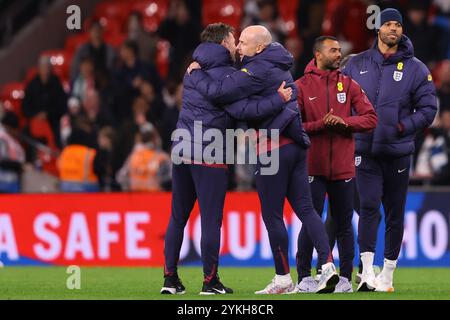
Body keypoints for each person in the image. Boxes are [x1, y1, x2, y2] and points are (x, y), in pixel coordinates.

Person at [188, 25, 339, 294]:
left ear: (258, 47)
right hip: (295, 144)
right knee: (306, 209)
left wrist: (197, 75)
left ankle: (282, 278)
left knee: (272, 216)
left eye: (243, 42)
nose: (237, 47)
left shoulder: (254, 70)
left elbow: (224, 95)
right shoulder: (278, 62)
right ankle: (328, 267)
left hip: (272, 147)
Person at [162, 23, 292, 295]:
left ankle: (170, 280)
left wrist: (195, 78)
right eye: (234, 40)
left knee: (177, 218)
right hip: (211, 151)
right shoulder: (230, 76)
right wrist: (278, 100)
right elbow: (245, 110)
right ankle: (210, 282)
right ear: (223, 43)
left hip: (182, 147)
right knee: (211, 220)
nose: (237, 46)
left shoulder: (193, 69)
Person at [342, 8, 438, 292]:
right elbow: (340, 100)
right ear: (378, 29)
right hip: (364, 149)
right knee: (368, 207)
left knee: (395, 213)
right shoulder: (356, 63)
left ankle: (388, 273)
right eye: (388, 24)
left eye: (398, 24)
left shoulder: (417, 68)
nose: (393, 29)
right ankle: (367, 272)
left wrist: (400, 128)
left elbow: (428, 109)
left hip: (397, 151)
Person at [294, 36, 377, 293]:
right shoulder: (301, 86)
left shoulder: (349, 84)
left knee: (343, 222)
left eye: (340, 50)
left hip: (343, 167)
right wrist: (321, 125)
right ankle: (305, 277)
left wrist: (345, 123)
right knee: (312, 221)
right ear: (318, 54)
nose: (339, 54)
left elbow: (371, 118)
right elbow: (294, 127)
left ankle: (344, 278)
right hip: (313, 168)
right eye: (333, 50)